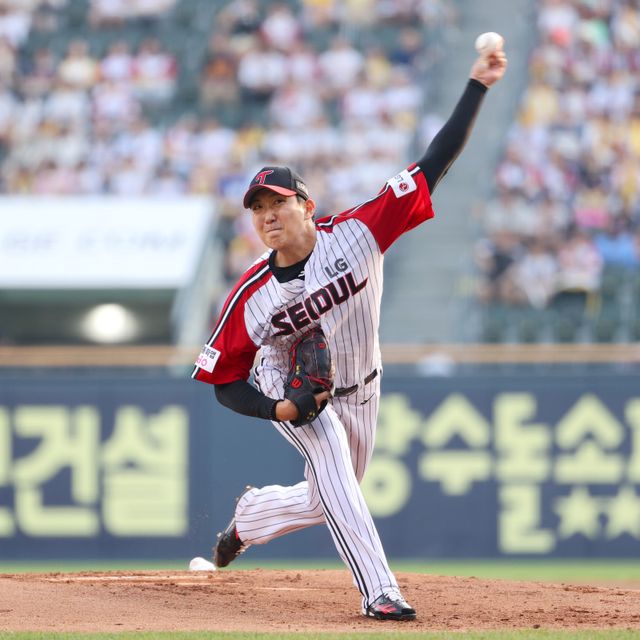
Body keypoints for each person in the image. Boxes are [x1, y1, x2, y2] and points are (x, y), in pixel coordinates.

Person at [192, 45, 507, 621]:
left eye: (277, 202)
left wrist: (476, 86)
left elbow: (435, 162)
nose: (267, 215)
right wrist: (277, 408)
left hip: (363, 384)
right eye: (257, 208)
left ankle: (252, 516)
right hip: (292, 385)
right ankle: (379, 592)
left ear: (307, 205)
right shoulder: (250, 296)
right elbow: (223, 381)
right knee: (334, 470)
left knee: (329, 495)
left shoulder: (359, 233)